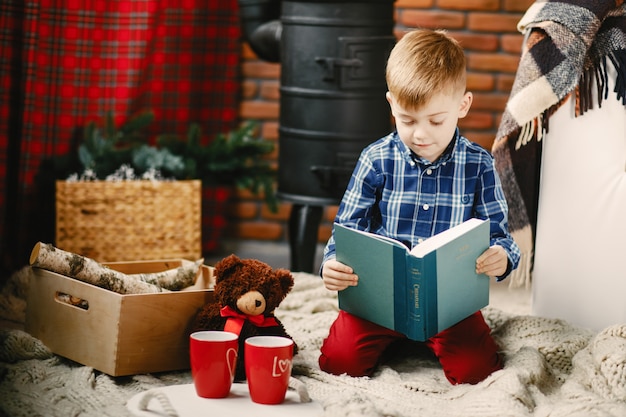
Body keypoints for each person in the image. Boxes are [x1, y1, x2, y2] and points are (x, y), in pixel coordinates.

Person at [318, 29, 521, 385]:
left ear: (463, 105)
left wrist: (500, 257)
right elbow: (346, 232)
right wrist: (332, 264)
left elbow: (501, 237)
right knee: (338, 364)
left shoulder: (479, 165)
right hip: (378, 301)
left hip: (449, 307)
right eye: (407, 120)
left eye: (436, 120)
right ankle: (394, 338)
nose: (421, 134)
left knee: (478, 373)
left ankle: (421, 341)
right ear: (391, 104)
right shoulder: (375, 159)